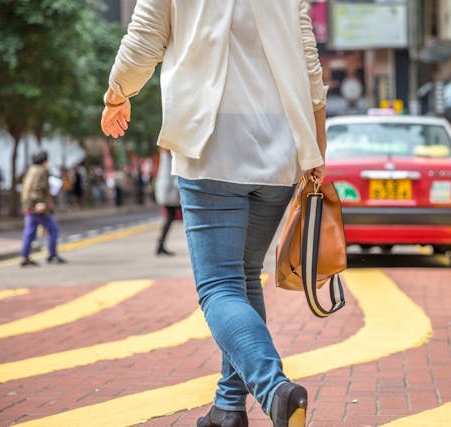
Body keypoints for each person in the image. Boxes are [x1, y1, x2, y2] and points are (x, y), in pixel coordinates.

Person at [100, 1, 327, 426]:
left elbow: (144, 40)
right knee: (242, 277)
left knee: (220, 287)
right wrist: (316, 146)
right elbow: (308, 60)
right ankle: (227, 408)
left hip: (211, 146)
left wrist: (117, 95)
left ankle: (274, 389)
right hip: (281, 149)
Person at [20, 151, 66, 266]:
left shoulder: (31, 170)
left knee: (29, 232)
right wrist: (40, 202)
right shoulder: (41, 171)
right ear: (44, 161)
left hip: (29, 206)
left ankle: (24, 257)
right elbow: (37, 188)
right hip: (37, 207)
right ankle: (52, 255)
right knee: (53, 229)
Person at [154, 148, 180, 256]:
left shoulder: (164, 154)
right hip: (170, 190)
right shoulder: (170, 155)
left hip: (167, 189)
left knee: (170, 217)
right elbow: (174, 173)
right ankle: (160, 245)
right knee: (170, 217)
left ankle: (160, 244)